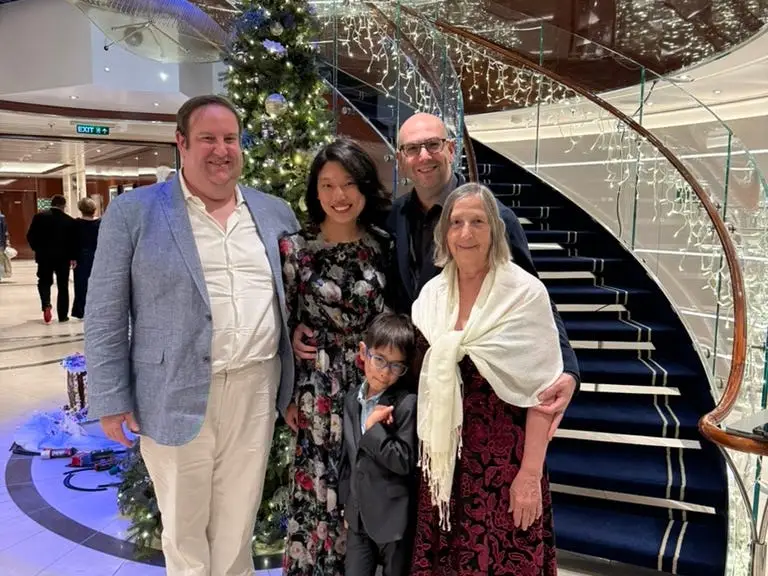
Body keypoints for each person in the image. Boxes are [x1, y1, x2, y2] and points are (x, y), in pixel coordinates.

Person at [85, 94, 299, 576]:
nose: (221, 150)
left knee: (237, 522)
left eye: (230, 139)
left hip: (257, 386)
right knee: (183, 529)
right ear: (181, 143)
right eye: (207, 138)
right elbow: (104, 313)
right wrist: (110, 397)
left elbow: (293, 299)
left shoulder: (275, 213)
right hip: (172, 390)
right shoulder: (135, 213)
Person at [390, 112, 579, 435]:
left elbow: (531, 296)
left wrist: (568, 368)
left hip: (484, 396)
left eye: (432, 145)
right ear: (401, 159)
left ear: (451, 149)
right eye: (412, 149)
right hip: (424, 384)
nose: (423, 156)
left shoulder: (493, 218)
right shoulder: (397, 215)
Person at [409, 183, 562, 575]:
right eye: (456, 222)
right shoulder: (430, 297)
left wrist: (529, 474)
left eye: (477, 221)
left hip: (505, 465)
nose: (466, 233)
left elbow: (543, 393)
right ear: (445, 232)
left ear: (495, 230)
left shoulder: (524, 295)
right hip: (446, 465)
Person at [280, 138, 392, 576]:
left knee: (370, 489)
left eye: (348, 183)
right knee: (318, 493)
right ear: (315, 191)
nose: (339, 196)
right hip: (316, 393)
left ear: (364, 187)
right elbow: (280, 320)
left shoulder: (383, 245)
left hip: (371, 386)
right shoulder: (295, 249)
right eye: (327, 185)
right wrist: (291, 348)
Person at [339, 312, 417, 576]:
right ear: (364, 352)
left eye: (396, 366)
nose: (385, 372)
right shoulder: (351, 399)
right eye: (380, 359)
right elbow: (348, 458)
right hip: (358, 519)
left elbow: (404, 460)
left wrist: (374, 429)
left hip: (392, 521)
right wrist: (347, 507)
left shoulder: (406, 404)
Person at [26, 194, 76, 324]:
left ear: (51, 204)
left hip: (44, 257)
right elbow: (73, 243)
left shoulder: (39, 217)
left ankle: (46, 305)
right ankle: (63, 315)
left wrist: (37, 249)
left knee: (44, 282)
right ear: (63, 206)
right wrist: (72, 257)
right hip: (63, 258)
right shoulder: (69, 221)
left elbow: (30, 236)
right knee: (63, 286)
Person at [71, 197, 101, 319]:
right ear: (94, 209)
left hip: (81, 257)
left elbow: (73, 243)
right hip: (97, 256)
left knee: (81, 284)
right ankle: (96, 309)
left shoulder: (76, 224)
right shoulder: (100, 224)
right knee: (97, 284)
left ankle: (81, 310)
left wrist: (72, 258)